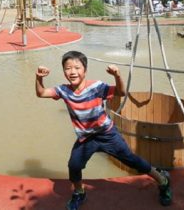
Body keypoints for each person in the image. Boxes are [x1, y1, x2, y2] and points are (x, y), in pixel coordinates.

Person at [35, 50, 172, 209]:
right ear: (64, 71)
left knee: (132, 160)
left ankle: (163, 181)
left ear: (85, 70)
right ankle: (80, 192)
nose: (72, 72)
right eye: (68, 68)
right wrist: (39, 77)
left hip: (107, 134)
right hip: (86, 139)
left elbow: (120, 92)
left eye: (77, 67)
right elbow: (41, 93)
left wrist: (117, 75)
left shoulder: (97, 86)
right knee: (74, 165)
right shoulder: (64, 91)